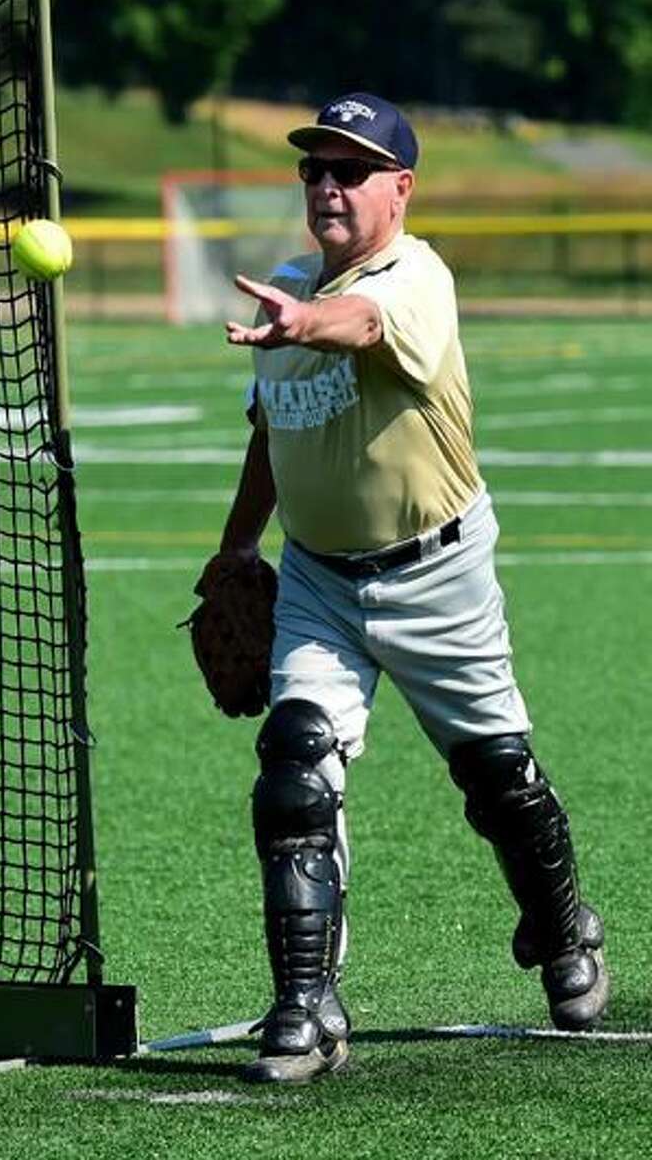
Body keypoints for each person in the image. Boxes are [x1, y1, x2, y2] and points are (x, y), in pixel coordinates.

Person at [217, 93, 608, 1084]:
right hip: (317, 580)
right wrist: (232, 554)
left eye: (350, 169)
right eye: (314, 168)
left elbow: (359, 322)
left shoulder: (411, 278)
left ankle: (562, 929)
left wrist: (309, 318)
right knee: (294, 765)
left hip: (438, 573)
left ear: (401, 187)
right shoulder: (294, 287)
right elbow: (269, 432)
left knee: (499, 778)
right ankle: (305, 1006)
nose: (326, 185)